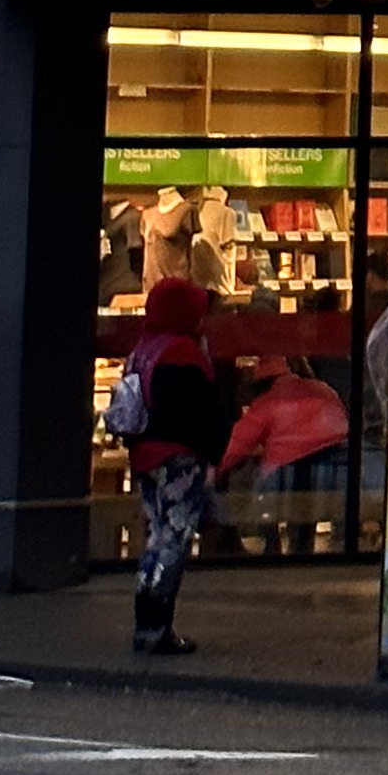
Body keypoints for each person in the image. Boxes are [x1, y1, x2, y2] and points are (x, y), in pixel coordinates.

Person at [119, 270, 233, 657]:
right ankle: (159, 626)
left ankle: (144, 621)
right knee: (175, 537)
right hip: (179, 457)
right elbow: (199, 411)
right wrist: (216, 448)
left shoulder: (143, 349)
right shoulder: (183, 353)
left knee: (157, 535)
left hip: (146, 455)